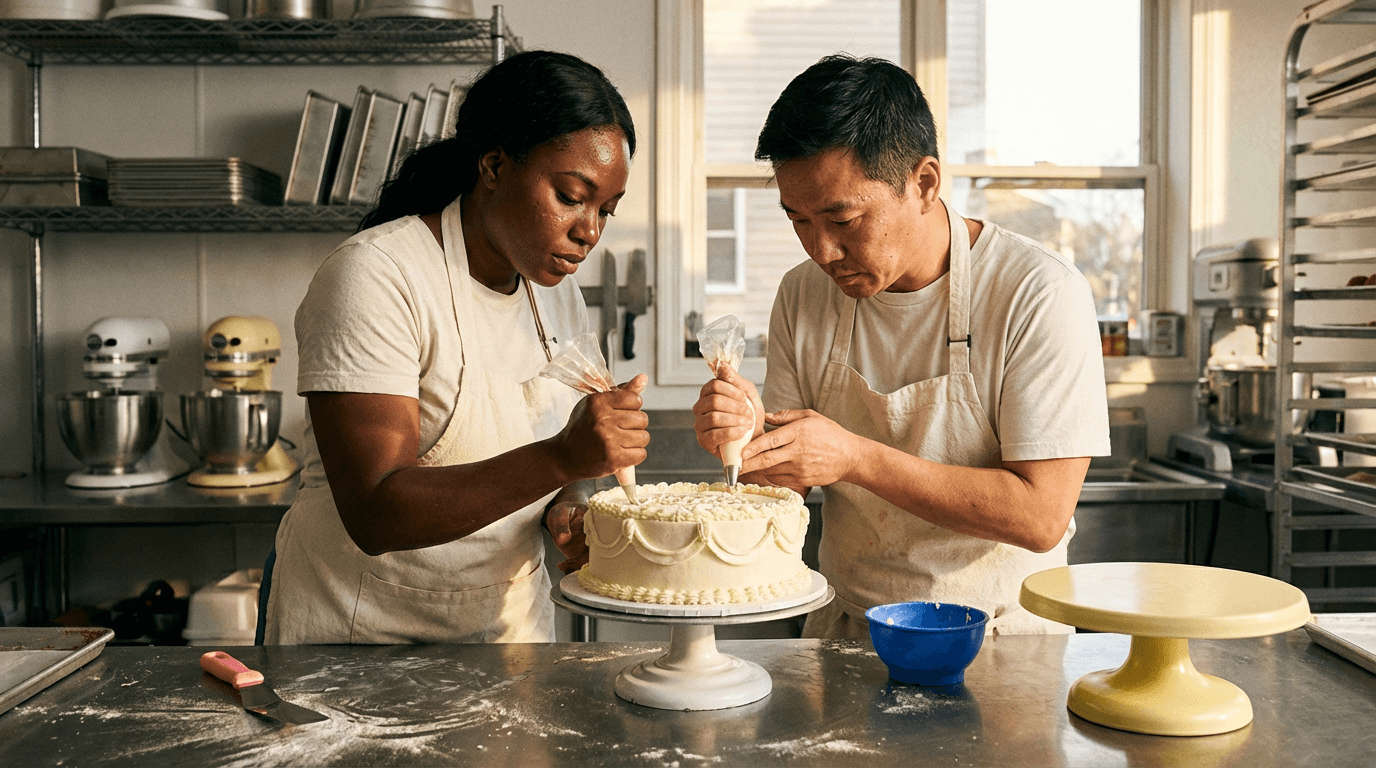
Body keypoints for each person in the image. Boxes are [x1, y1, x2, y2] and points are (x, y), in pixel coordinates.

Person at [693, 55, 1111, 637]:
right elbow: (786, 487)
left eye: (843, 221)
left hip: (1000, 643)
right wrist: (747, 437)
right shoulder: (803, 294)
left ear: (924, 184)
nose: (822, 251)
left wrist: (855, 457)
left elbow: (1041, 515)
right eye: (799, 221)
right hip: (847, 633)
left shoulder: (1037, 293)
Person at [262, 50, 648, 645]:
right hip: (358, 643)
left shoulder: (557, 297)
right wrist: (562, 460)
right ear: (494, 166)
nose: (590, 231)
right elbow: (375, 510)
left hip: (508, 639)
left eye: (606, 210)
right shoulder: (376, 276)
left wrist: (569, 507)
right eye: (572, 196)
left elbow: (544, 456)